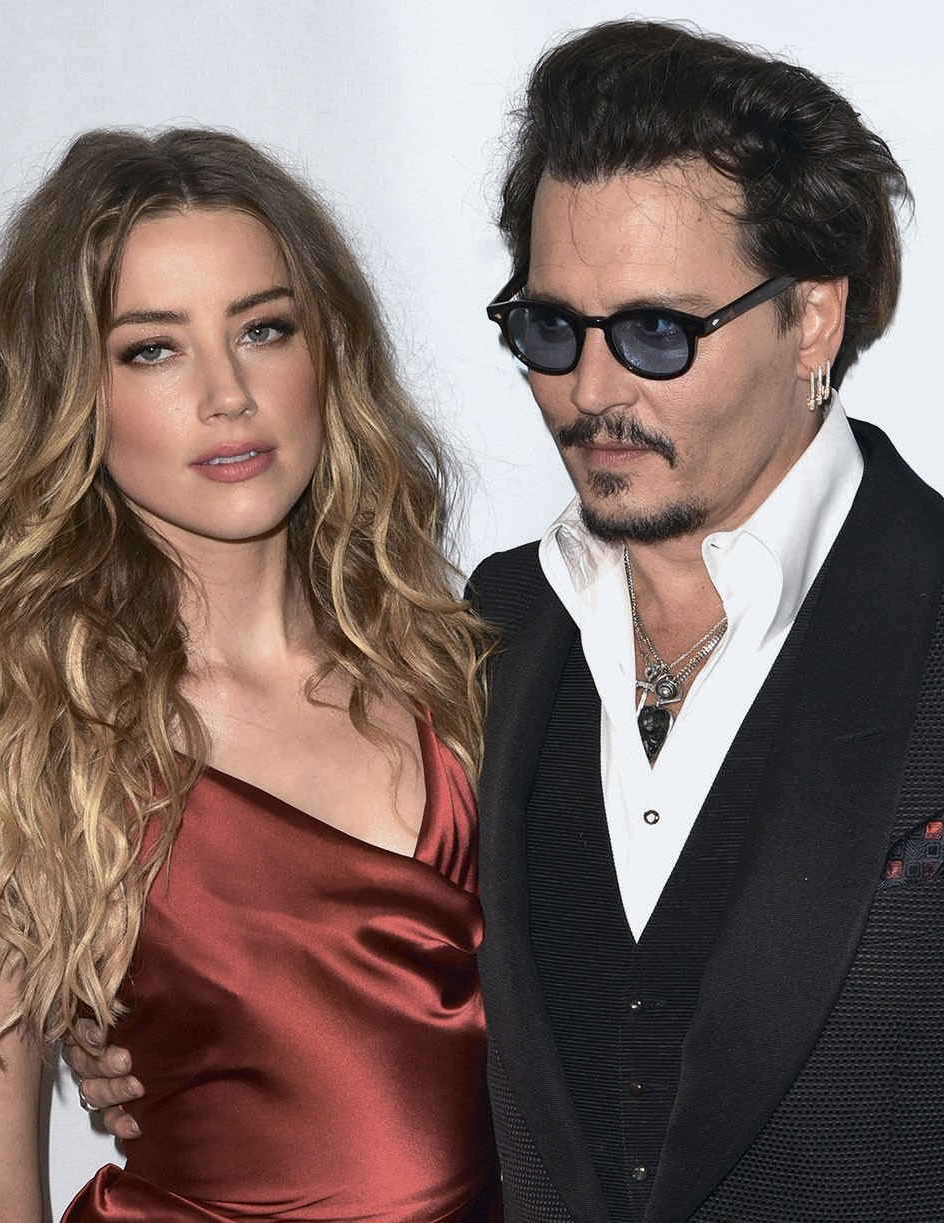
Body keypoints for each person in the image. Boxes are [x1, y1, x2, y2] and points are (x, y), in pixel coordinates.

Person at [74, 20, 943, 1222]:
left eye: (656, 331)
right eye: (549, 328)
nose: (589, 391)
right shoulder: (480, 636)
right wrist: (170, 1017)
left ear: (811, 319)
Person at [0, 128, 500, 1223]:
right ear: (71, 395)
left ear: (327, 353)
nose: (227, 393)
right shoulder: (16, 744)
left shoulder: (461, 671)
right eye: (153, 349)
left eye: (263, 329)